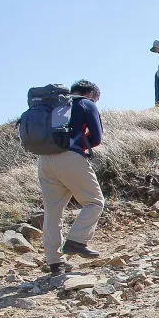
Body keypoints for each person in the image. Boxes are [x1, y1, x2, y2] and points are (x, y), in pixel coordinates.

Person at [37, 80, 105, 275]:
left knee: (53, 211)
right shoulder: (86, 103)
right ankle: (77, 240)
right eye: (97, 99)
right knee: (94, 202)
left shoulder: (57, 105)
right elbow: (97, 138)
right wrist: (83, 144)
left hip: (45, 160)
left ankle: (55, 262)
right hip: (70, 157)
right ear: (92, 93)